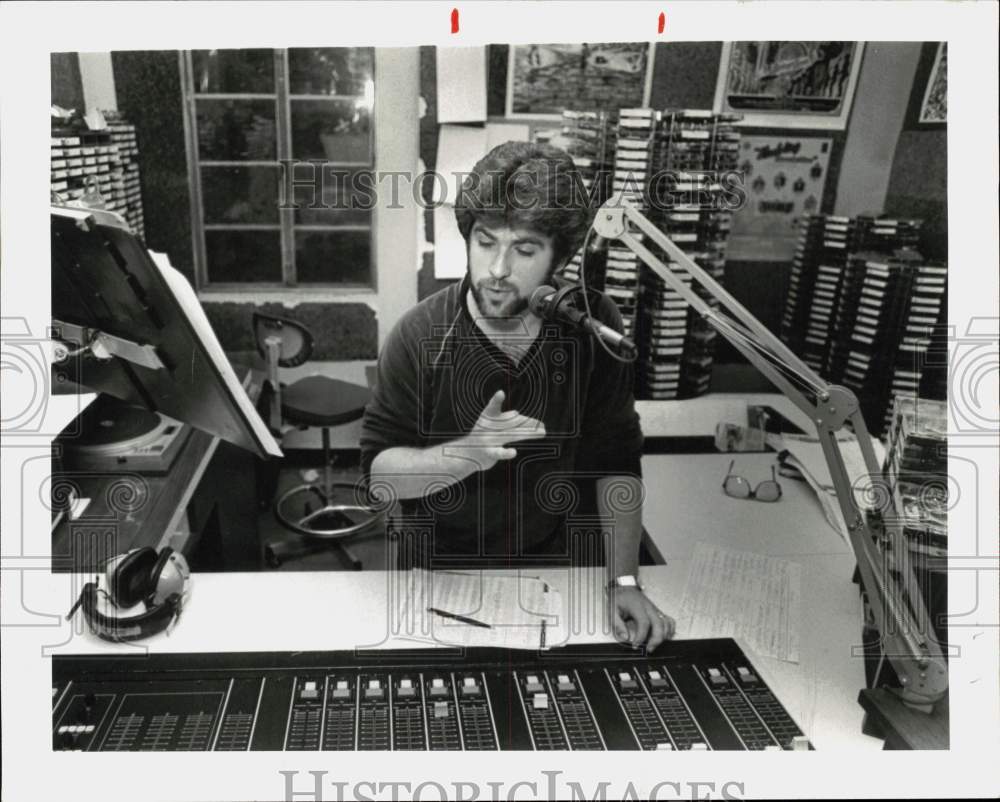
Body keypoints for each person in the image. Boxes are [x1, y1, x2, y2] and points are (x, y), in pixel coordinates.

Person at [361, 141, 674, 650]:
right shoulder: (418, 336)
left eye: (524, 250)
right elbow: (380, 478)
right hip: (445, 578)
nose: (498, 268)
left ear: (559, 258)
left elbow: (616, 459)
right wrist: (465, 455)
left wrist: (624, 581)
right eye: (485, 242)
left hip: (560, 569)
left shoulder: (594, 326)